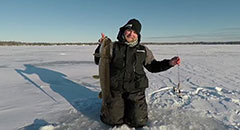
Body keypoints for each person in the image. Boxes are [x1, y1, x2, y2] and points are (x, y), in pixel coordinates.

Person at [94, 19, 180, 128]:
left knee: (138, 121)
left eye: (135, 32)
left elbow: (153, 66)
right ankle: (114, 106)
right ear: (123, 31)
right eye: (129, 30)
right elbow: (99, 61)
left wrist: (169, 63)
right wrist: (101, 47)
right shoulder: (112, 47)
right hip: (115, 89)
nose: (131, 34)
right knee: (112, 120)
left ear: (138, 35)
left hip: (136, 90)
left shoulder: (143, 50)